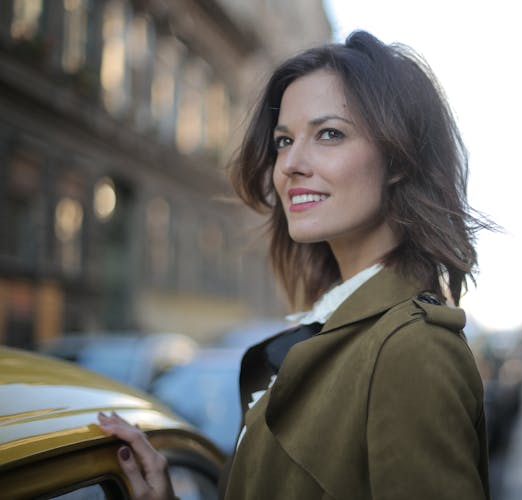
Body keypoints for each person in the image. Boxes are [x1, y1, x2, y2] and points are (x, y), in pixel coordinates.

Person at [98, 30, 493, 499]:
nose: (289, 164)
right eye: (284, 140)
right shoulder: (337, 329)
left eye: (329, 134)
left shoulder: (410, 349)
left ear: (397, 160)